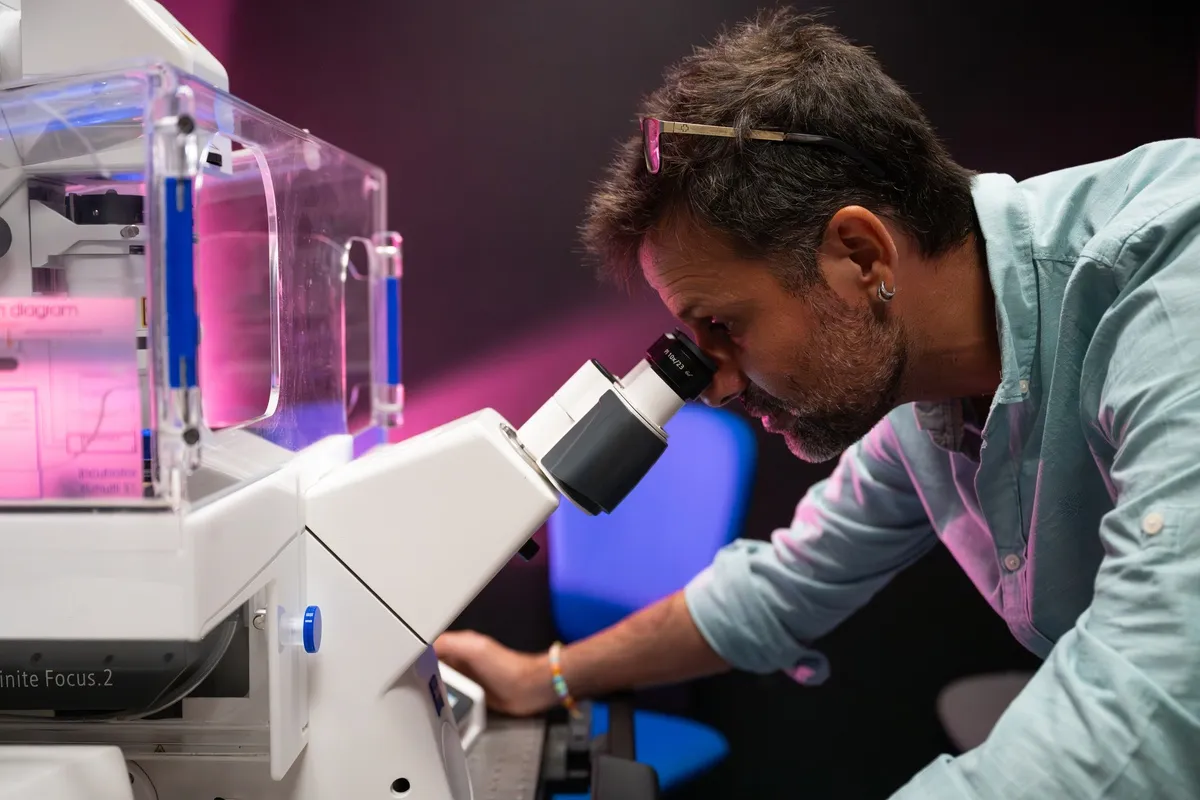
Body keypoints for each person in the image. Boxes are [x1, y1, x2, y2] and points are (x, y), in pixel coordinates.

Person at [437, 8, 1200, 797]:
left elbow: (1150, 706)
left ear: (860, 256)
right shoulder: (926, 392)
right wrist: (544, 677)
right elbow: (778, 590)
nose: (717, 385)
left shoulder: (1169, 288)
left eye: (725, 326)